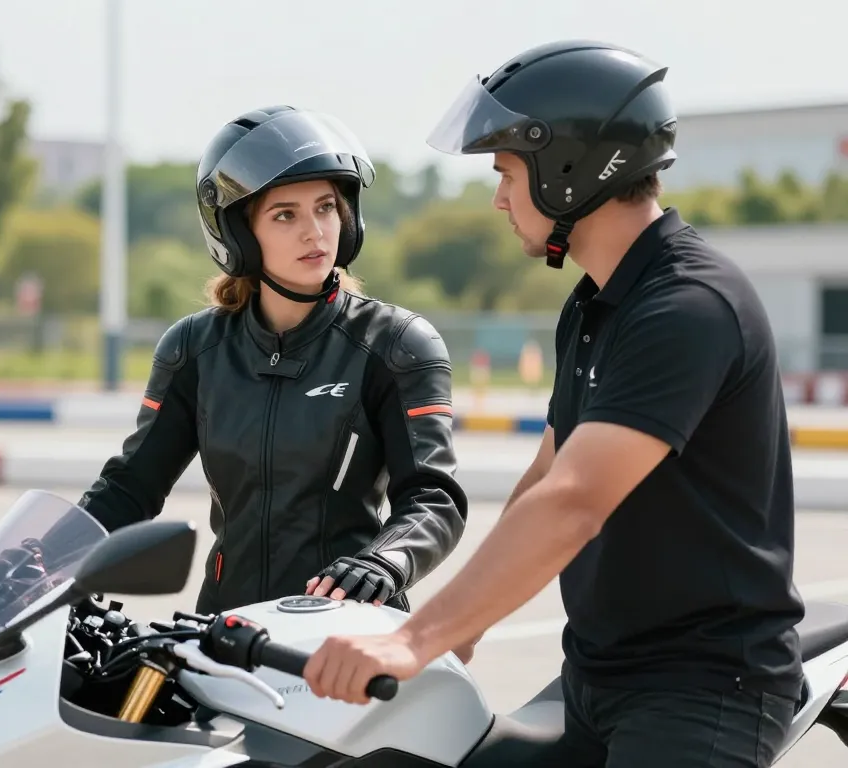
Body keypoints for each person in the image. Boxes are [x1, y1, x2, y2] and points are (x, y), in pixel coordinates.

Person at [302, 41, 805, 767]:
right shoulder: (597, 301)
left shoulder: (688, 307)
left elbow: (574, 501)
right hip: (595, 677)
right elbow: (545, 473)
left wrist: (414, 639)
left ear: (565, 169)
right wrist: (463, 627)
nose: (499, 197)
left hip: (704, 688)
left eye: (506, 171)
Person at [76, 105, 468, 617]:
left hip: (345, 629)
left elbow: (433, 498)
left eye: (326, 207)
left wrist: (383, 563)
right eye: (286, 214)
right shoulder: (193, 348)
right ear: (239, 233)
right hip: (224, 629)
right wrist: (39, 559)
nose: (315, 232)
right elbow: (131, 488)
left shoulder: (397, 344)